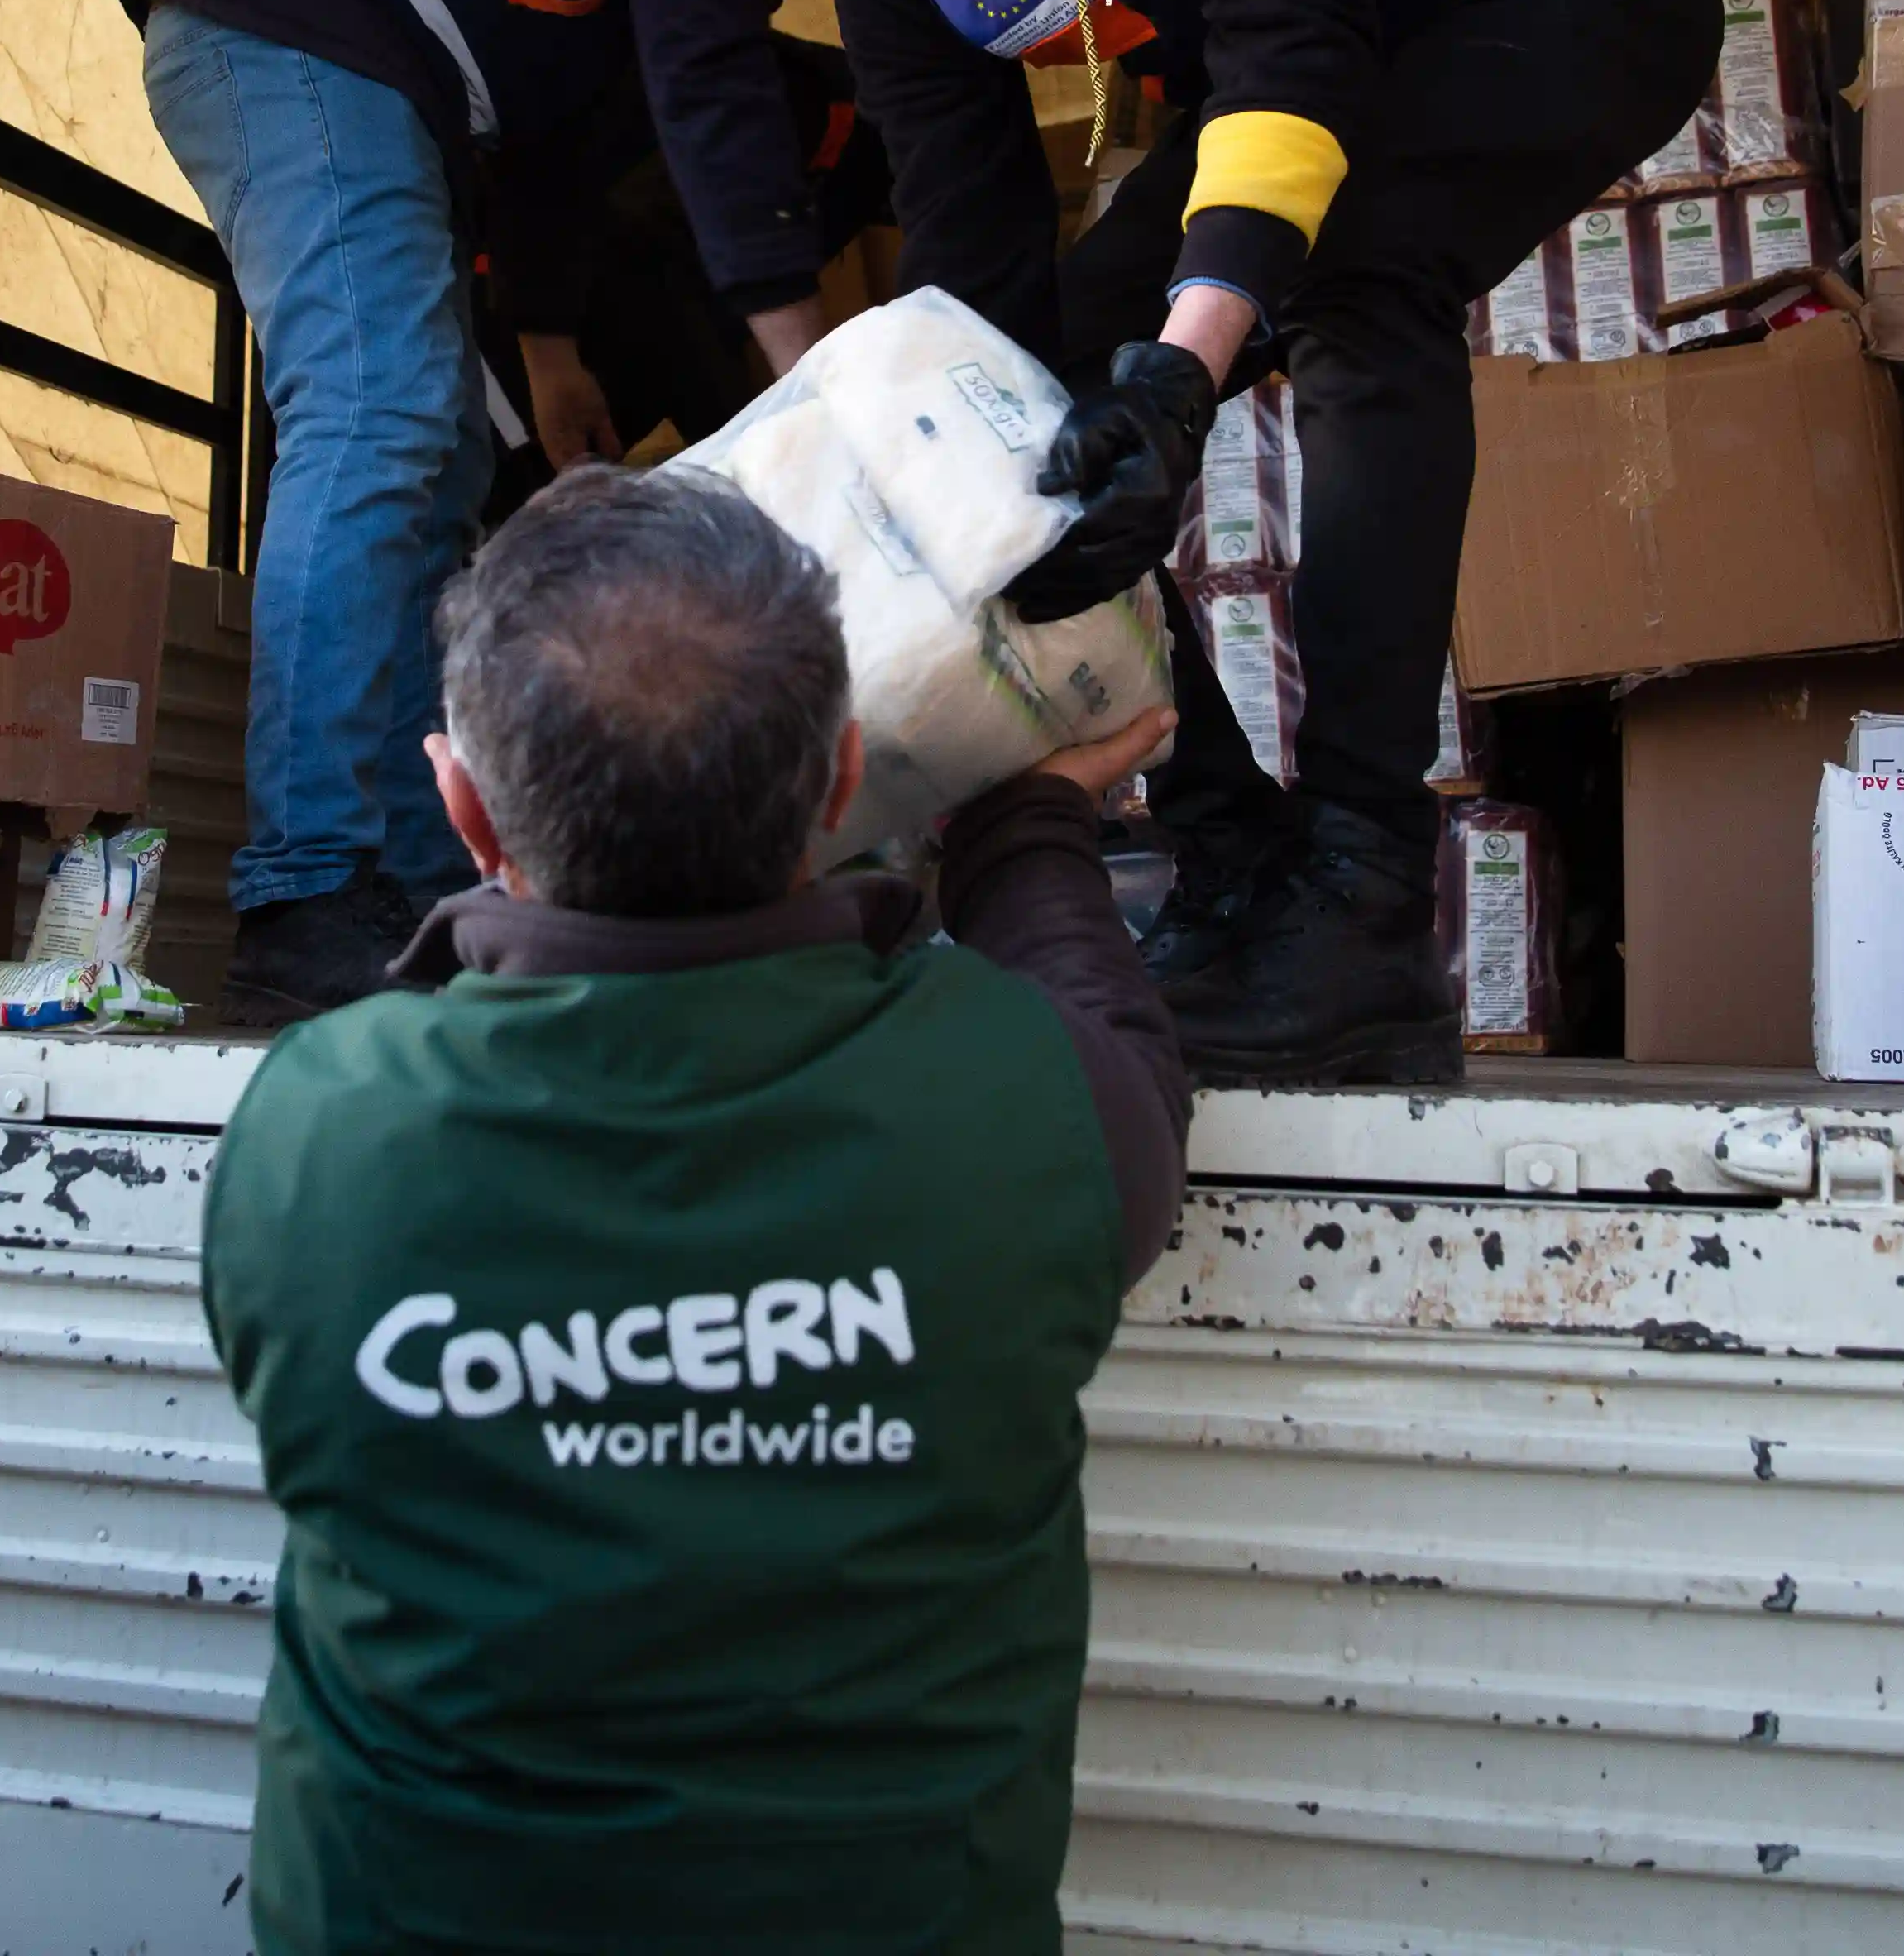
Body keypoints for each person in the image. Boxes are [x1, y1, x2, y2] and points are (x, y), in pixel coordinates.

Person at [663, 0, 1721, 1087]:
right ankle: (1235, 862)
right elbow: (972, 289)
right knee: (1026, 410)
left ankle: (1365, 893)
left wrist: (1180, 379)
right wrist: (971, 484)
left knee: (1356, 280)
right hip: (1305, 74)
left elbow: (1296, 38)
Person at [203, 466, 1184, 1952]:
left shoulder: (319, 1130)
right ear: (847, 779)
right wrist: (1031, 823)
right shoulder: (1035, 1106)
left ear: (462, 802)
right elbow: (1104, 1030)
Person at [119, 0, 832, 1022]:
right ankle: (308, 886)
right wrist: (812, 374)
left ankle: (402, 887)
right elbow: (700, 62)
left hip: (396, 68)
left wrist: (551, 349)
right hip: (296, 13)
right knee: (379, 417)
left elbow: (583, 114)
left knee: (440, 455)